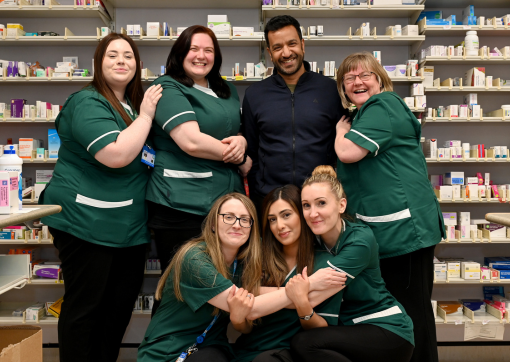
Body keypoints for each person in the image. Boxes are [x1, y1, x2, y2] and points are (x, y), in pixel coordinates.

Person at [38, 33, 163, 362]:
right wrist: (148, 115)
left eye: (128, 55)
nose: (121, 60)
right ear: (98, 62)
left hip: (129, 228)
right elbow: (116, 154)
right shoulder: (88, 102)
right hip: (86, 224)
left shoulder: (130, 106)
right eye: (112, 55)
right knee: (86, 310)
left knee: (117, 311)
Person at [137, 193, 344, 362]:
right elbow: (252, 306)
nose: (237, 225)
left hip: (212, 348)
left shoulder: (244, 263)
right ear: (212, 224)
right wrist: (307, 287)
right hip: (167, 351)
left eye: (245, 220)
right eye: (228, 217)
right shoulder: (195, 258)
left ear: (251, 229)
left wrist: (298, 291)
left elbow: (256, 295)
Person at [334, 52, 445, 362]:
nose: (357, 82)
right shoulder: (365, 115)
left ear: (380, 80)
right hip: (391, 234)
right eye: (349, 78)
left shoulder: (382, 106)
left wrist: (339, 133)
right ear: (343, 88)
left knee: (413, 317)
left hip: (406, 234)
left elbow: (347, 152)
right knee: (400, 316)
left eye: (364, 75)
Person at [145, 25, 249, 313]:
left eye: (208, 50)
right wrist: (240, 158)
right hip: (180, 205)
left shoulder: (225, 90)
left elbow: (232, 131)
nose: (201, 56)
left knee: (217, 287)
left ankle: (205, 351)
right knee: (178, 287)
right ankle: (165, 351)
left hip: (221, 205)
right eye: (194, 49)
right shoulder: (168, 86)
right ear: (180, 52)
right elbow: (190, 141)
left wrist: (241, 141)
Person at [288, 166, 415, 362]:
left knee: (305, 343)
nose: (313, 213)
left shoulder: (360, 240)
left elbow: (311, 297)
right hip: (349, 329)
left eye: (321, 203)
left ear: (341, 205)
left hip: (386, 329)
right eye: (306, 205)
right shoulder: (312, 243)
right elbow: (302, 294)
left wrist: (263, 301)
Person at [241, 15, 347, 217]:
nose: (286, 53)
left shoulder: (330, 90)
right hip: (270, 201)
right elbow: (252, 151)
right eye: (278, 47)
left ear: (303, 45)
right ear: (270, 53)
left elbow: (340, 147)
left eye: (292, 44)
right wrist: (259, 193)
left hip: (319, 202)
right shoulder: (255, 95)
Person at [233, 185, 346, 362]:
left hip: (287, 352)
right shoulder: (258, 256)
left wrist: (302, 303)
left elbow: (323, 328)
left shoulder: (325, 262)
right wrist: (239, 321)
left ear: (302, 215)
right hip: (245, 350)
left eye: (286, 215)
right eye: (272, 219)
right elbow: (245, 318)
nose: (280, 225)